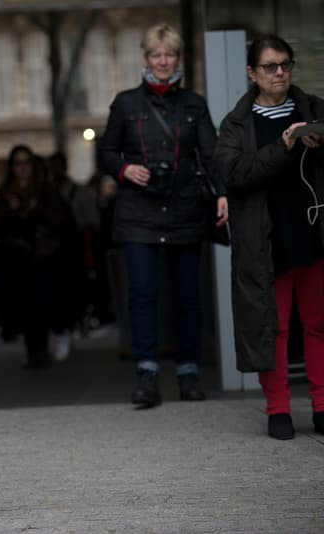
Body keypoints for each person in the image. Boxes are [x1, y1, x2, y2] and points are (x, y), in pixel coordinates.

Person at [97, 23, 228, 407]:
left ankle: (188, 373)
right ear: (145, 58)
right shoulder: (125, 103)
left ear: (178, 59)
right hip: (138, 210)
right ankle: (147, 375)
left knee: (187, 295)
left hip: (186, 205)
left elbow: (211, 153)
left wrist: (222, 195)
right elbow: (105, 153)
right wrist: (125, 170)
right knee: (142, 294)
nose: (163, 61)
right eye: (156, 55)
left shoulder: (194, 104)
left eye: (169, 54)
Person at [214, 34, 324, 440]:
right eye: (270, 66)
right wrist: (285, 144)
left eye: (285, 64)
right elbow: (235, 175)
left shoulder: (313, 108)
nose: (280, 72)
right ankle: (277, 409)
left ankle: (322, 406)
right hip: (264, 238)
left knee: (318, 323)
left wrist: (318, 143)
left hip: (313, 230)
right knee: (272, 327)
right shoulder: (236, 123)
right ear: (251, 73)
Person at [0, 146, 75, 369]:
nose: (22, 169)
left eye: (26, 162)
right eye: (17, 164)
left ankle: (47, 342)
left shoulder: (45, 190)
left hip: (44, 258)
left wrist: (31, 212)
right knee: (25, 305)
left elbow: (59, 221)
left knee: (44, 301)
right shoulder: (6, 192)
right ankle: (33, 349)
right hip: (17, 258)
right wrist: (14, 211)